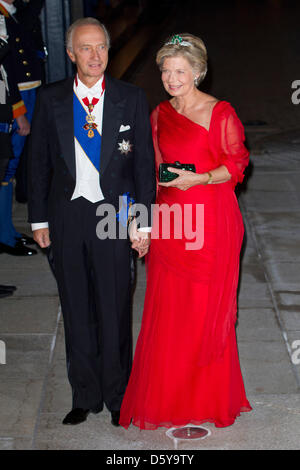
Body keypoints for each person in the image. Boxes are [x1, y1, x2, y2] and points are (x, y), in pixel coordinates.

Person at [27, 17, 155, 426]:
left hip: (114, 214)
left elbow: (142, 167)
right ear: (70, 54)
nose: (95, 55)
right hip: (66, 215)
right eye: (85, 48)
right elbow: (39, 162)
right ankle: (84, 394)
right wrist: (38, 219)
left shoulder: (130, 97)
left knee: (115, 306)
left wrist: (143, 224)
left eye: (101, 46)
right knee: (76, 306)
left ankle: (119, 396)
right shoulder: (51, 99)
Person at [119, 33, 252, 429]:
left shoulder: (220, 112)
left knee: (204, 312)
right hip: (172, 224)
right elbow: (149, 175)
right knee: (170, 314)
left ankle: (206, 396)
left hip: (212, 221)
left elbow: (238, 164)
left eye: (180, 71)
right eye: (166, 71)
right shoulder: (159, 114)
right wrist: (141, 224)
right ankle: (171, 399)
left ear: (198, 72)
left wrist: (200, 179)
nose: (172, 78)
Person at [0, 0, 44, 256]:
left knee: (11, 168)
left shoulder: (13, 13)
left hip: (29, 91)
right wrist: (17, 111)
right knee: (7, 168)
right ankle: (4, 235)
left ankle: (9, 231)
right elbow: (4, 70)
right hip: (14, 98)